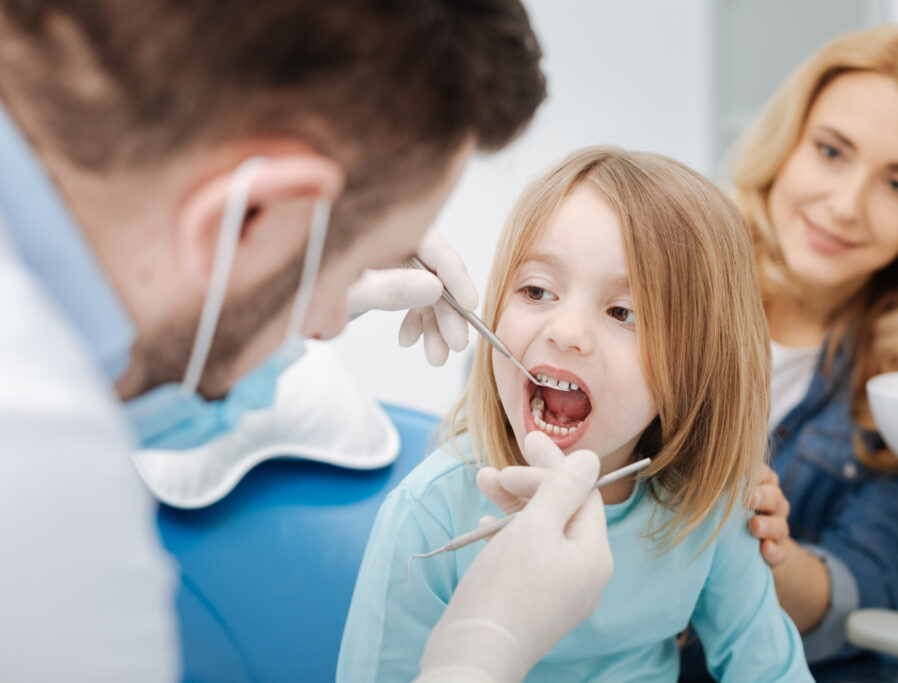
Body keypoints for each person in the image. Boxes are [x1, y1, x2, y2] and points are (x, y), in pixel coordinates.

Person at [0, 2, 615, 681]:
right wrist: (479, 652)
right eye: (354, 268)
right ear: (250, 216)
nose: (324, 326)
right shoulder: (37, 478)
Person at [338, 146, 814, 682]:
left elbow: (769, 670)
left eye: (623, 312)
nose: (566, 331)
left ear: (699, 362)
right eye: (537, 290)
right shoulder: (430, 515)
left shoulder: (708, 512)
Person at [678, 25, 898, 682]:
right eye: (832, 151)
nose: (844, 206)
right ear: (788, 143)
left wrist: (759, 546)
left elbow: (865, 589)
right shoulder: (675, 279)